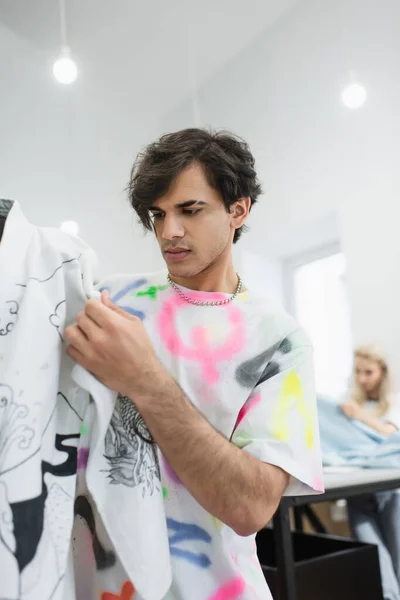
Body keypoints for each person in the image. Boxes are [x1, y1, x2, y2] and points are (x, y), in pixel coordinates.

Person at [65, 128, 324, 599]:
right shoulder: (112, 300)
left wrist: (144, 380)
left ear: (238, 210)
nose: (169, 232)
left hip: (211, 587)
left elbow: (249, 507)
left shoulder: (280, 340)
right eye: (158, 215)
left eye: (190, 210)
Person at [342, 345, 400, 600]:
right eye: (358, 372)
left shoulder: (393, 403)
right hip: (359, 490)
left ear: (382, 373)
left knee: (398, 554)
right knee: (373, 554)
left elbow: (392, 435)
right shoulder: (350, 404)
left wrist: (362, 417)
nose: (362, 379)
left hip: (390, 490)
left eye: (369, 372)